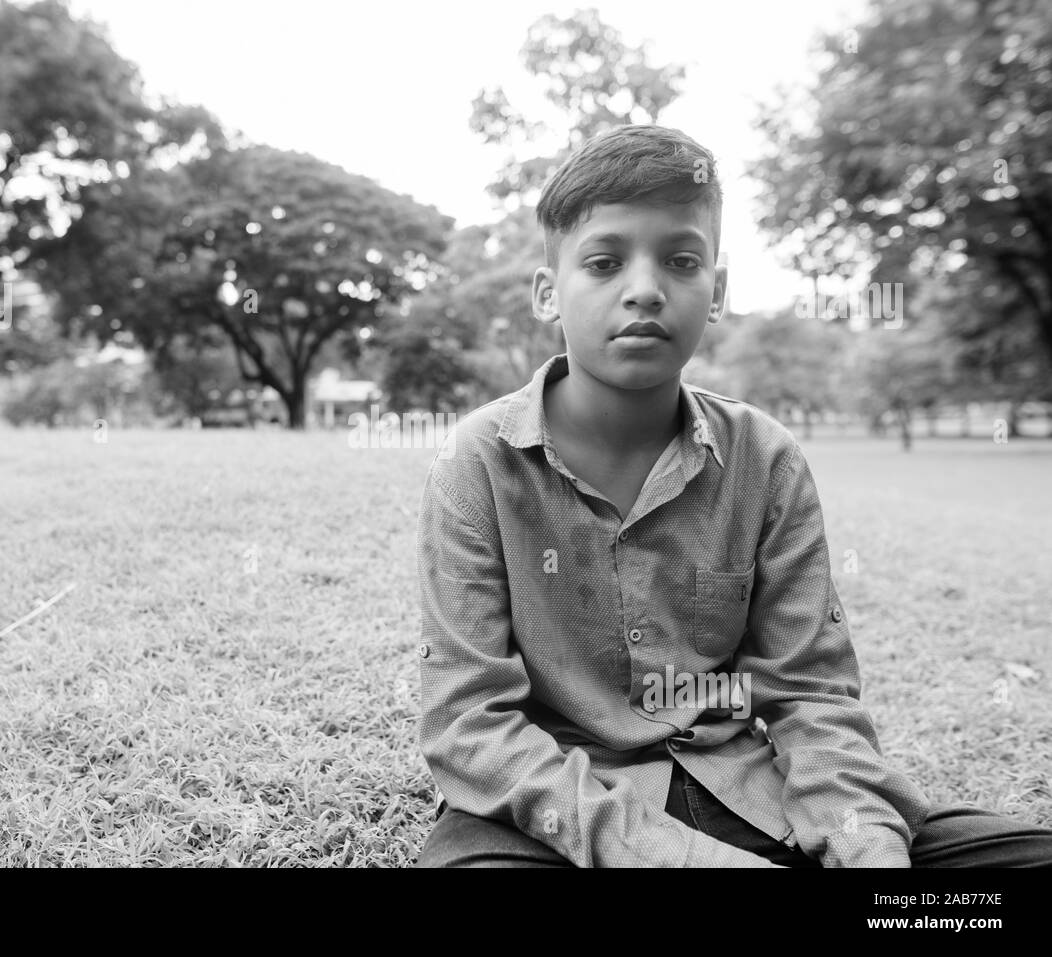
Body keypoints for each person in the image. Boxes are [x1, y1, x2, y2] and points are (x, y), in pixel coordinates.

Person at [413, 124, 1052, 867]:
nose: (645, 288)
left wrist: (864, 848)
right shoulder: (477, 463)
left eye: (681, 260)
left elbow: (811, 695)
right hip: (556, 816)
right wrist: (676, 857)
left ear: (715, 290)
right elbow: (469, 722)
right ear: (548, 292)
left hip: (751, 788)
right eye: (604, 261)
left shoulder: (766, 458)